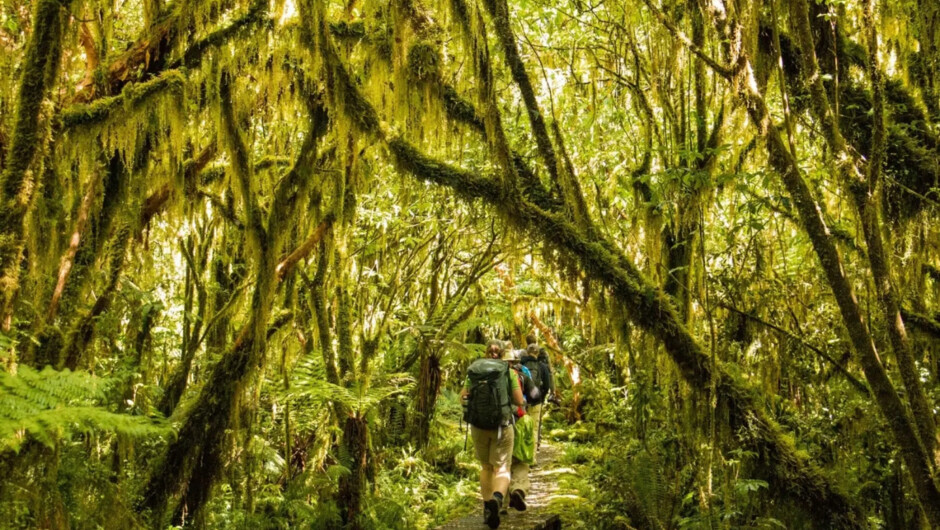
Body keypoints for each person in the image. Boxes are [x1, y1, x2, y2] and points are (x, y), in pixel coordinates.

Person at [461, 340, 524, 528]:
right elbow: (519, 400)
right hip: (502, 426)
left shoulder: (474, 371)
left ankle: (487, 508)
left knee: (486, 467)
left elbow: (463, 397)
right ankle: (497, 498)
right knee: (502, 467)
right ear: (503, 354)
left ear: (486, 352)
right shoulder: (509, 372)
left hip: (478, 426)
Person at [507, 349, 538, 512]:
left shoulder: (487, 375)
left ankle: (501, 502)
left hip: (494, 425)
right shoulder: (519, 375)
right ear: (513, 362)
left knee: (501, 463)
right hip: (517, 420)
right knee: (520, 460)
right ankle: (518, 489)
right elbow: (535, 395)